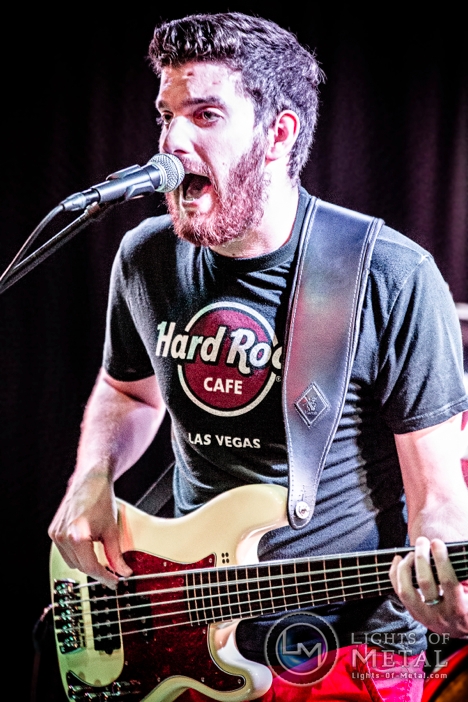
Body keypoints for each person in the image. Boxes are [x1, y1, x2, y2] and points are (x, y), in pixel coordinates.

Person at [49, 12, 468, 701]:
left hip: (345, 650)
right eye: (167, 116)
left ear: (278, 134)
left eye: (206, 115)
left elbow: (438, 496)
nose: (171, 141)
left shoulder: (389, 274)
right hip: (181, 630)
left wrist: (445, 579)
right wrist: (91, 477)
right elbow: (128, 390)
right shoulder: (147, 257)